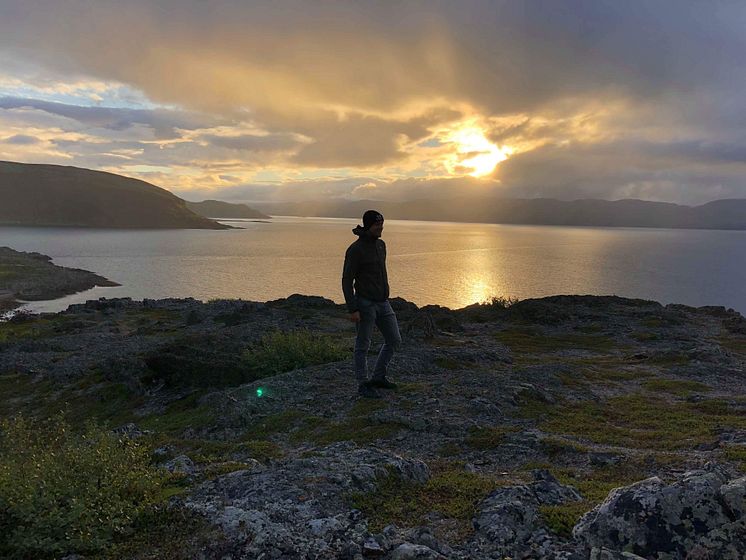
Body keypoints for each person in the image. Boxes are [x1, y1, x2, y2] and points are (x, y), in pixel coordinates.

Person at [342, 210, 402, 398]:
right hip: (365, 303)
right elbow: (346, 280)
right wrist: (353, 308)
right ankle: (363, 384)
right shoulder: (355, 249)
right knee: (363, 345)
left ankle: (378, 377)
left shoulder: (381, 245)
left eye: (382, 225)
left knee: (394, 340)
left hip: (383, 302)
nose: (381, 228)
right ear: (368, 226)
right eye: (377, 225)